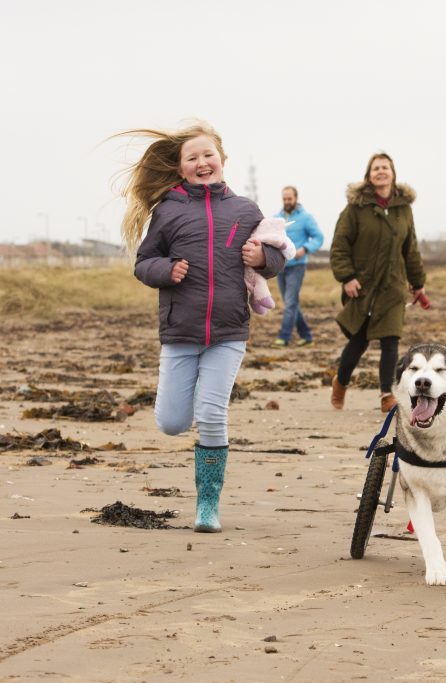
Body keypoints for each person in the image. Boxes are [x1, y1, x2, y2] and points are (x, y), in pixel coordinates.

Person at [119, 122, 286, 533]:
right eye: (191, 158)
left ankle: (207, 506)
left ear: (222, 160)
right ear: (180, 169)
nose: (201, 162)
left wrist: (261, 258)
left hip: (229, 332)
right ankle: (189, 401)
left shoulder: (246, 211)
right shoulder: (168, 211)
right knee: (172, 423)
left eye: (207, 155)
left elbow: (279, 258)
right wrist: (166, 270)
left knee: (212, 414)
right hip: (180, 331)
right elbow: (143, 262)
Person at [330, 152, 426, 413]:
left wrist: (417, 283)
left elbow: (411, 248)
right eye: (376, 168)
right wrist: (347, 277)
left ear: (393, 173)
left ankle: (387, 394)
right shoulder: (356, 209)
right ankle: (340, 381)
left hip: (393, 287)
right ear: (369, 175)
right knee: (359, 340)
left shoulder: (403, 209)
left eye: (385, 167)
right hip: (363, 286)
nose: (381, 171)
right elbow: (339, 247)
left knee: (390, 340)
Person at [272, 186, 323, 347]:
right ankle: (306, 336)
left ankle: (284, 337)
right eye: (284, 199)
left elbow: (318, 237)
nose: (287, 202)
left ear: (296, 198)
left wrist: (306, 249)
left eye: (290, 199)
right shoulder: (276, 218)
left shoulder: (306, 218)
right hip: (281, 266)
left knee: (290, 303)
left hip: (297, 266)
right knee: (292, 303)